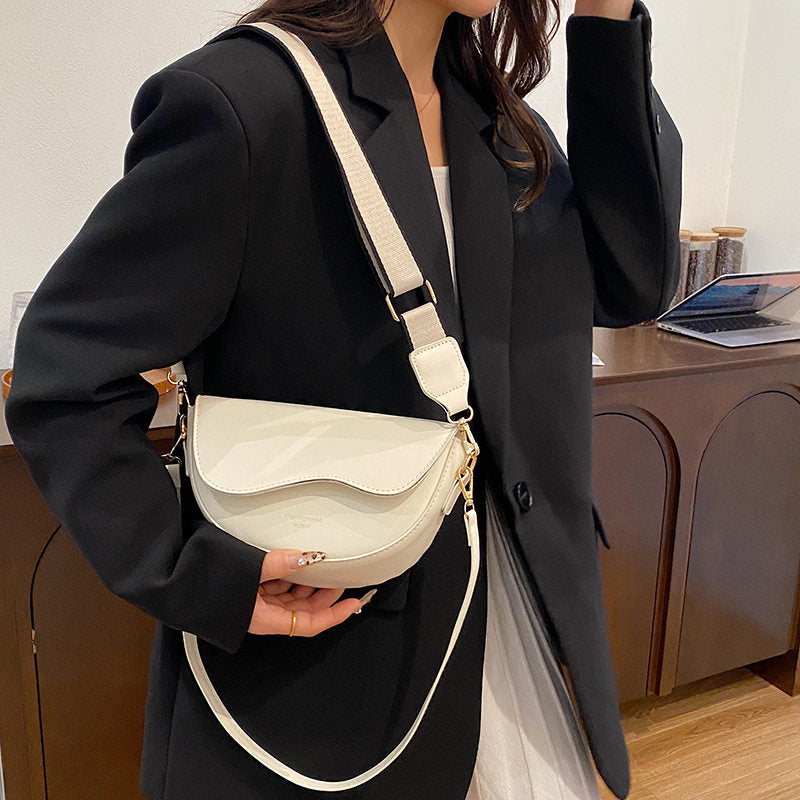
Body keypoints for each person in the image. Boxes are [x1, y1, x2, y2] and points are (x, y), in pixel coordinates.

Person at [5, 0, 681, 797]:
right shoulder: (248, 104)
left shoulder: (499, 124)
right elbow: (63, 376)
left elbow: (632, 278)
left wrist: (608, 17)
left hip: (507, 644)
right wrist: (193, 572)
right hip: (327, 677)